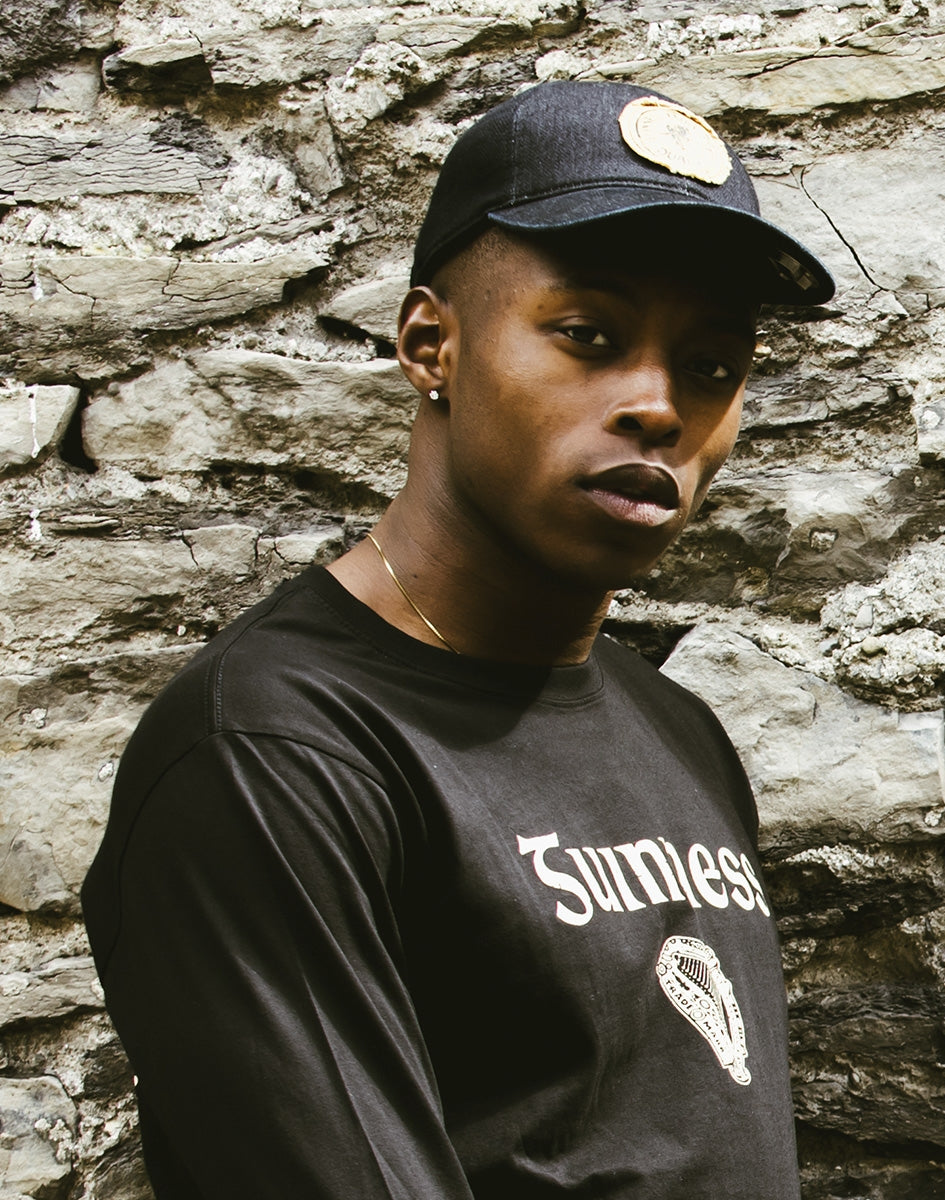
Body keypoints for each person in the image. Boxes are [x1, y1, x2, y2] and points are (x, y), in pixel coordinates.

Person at [82, 79, 834, 1199]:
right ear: (432, 345)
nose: (658, 405)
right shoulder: (273, 757)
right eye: (588, 335)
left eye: (713, 366)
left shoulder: (674, 728)